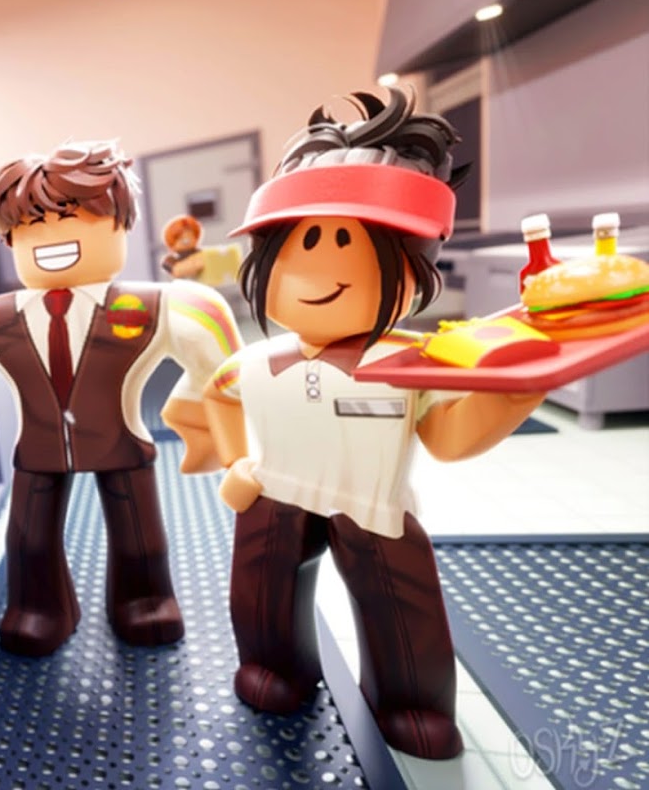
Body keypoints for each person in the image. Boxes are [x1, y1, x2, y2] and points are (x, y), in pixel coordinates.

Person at [204, 87, 545, 760]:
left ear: (412, 268)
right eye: (303, 240)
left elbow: (447, 437)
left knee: (399, 607)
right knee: (262, 592)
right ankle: (273, 667)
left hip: (372, 505)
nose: (319, 266)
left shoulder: (410, 362)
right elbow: (218, 399)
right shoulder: (254, 361)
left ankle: (410, 701)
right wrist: (234, 460)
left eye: (346, 240)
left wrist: (513, 394)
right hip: (273, 491)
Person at [0, 141, 241, 657]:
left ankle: (145, 602)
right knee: (28, 541)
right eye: (31, 224)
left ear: (119, 225)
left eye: (70, 216)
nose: (51, 234)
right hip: (38, 447)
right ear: (11, 239)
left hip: (121, 441)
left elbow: (220, 369)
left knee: (140, 537)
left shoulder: (157, 305)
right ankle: (40, 609)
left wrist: (209, 419)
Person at [160, 215, 206, 280]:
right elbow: (177, 271)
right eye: (181, 238)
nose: (187, 240)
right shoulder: (170, 260)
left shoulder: (200, 253)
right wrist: (197, 264)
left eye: (191, 236)